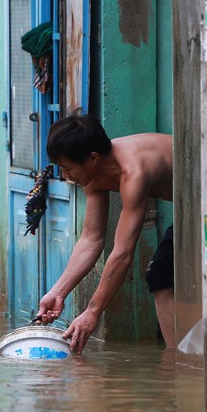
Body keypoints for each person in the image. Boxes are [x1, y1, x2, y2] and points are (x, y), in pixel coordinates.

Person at [36, 112, 175, 353]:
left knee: (160, 273)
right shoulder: (93, 174)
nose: (65, 176)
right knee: (161, 276)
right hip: (191, 204)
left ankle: (179, 364)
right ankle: (177, 360)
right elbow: (91, 239)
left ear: (92, 158)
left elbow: (123, 253)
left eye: (68, 168)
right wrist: (58, 293)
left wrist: (93, 311)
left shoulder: (134, 171)